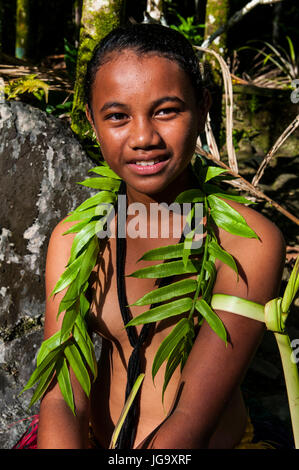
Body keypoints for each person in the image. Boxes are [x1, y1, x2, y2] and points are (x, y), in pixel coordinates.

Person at [36, 23, 286, 449]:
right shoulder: (77, 238)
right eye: (117, 116)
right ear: (92, 121)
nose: (143, 138)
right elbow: (63, 397)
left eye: (166, 111)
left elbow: (191, 418)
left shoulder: (247, 243)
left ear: (203, 107)